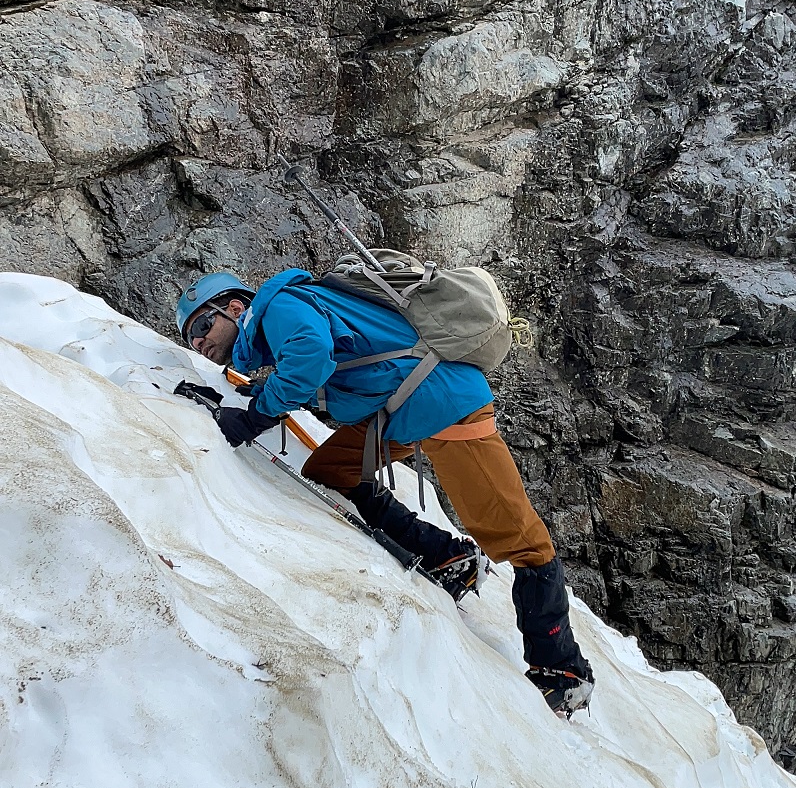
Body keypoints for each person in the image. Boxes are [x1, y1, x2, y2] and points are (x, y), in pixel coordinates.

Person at [175, 269, 594, 717]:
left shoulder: (277, 306)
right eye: (191, 340)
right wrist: (259, 396)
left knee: (516, 536)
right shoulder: (281, 320)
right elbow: (320, 365)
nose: (200, 343)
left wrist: (254, 417)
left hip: (445, 402)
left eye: (203, 327)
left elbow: (311, 358)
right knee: (331, 469)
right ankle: (447, 557)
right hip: (402, 408)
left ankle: (562, 669)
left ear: (235, 308)